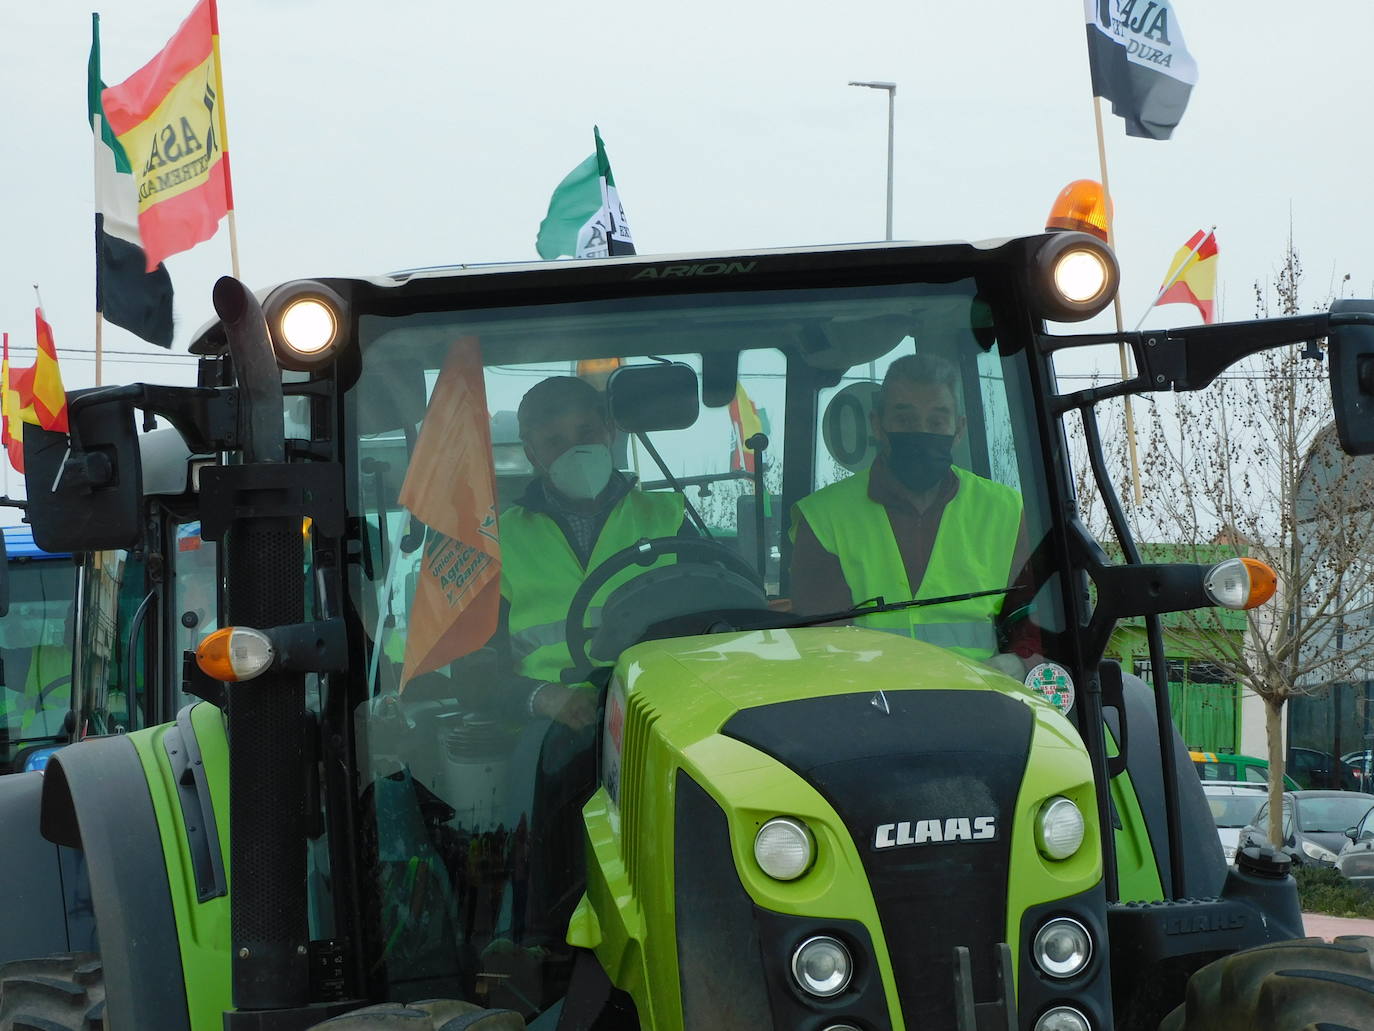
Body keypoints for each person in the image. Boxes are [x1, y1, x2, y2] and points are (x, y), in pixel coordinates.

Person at [790, 353, 1037, 667]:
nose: (921, 432)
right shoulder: (823, 518)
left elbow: (1039, 619)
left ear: (958, 429)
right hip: (864, 706)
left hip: (982, 703)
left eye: (937, 420)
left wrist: (1020, 662)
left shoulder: (1008, 512)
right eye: (905, 419)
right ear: (877, 424)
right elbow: (821, 647)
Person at [498, 375, 690, 727]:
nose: (575, 450)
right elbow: (476, 669)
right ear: (532, 454)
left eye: (585, 431)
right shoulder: (499, 540)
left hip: (662, 713)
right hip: (549, 733)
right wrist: (543, 697)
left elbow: (722, 620)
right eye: (554, 441)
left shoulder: (671, 518)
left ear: (609, 431)